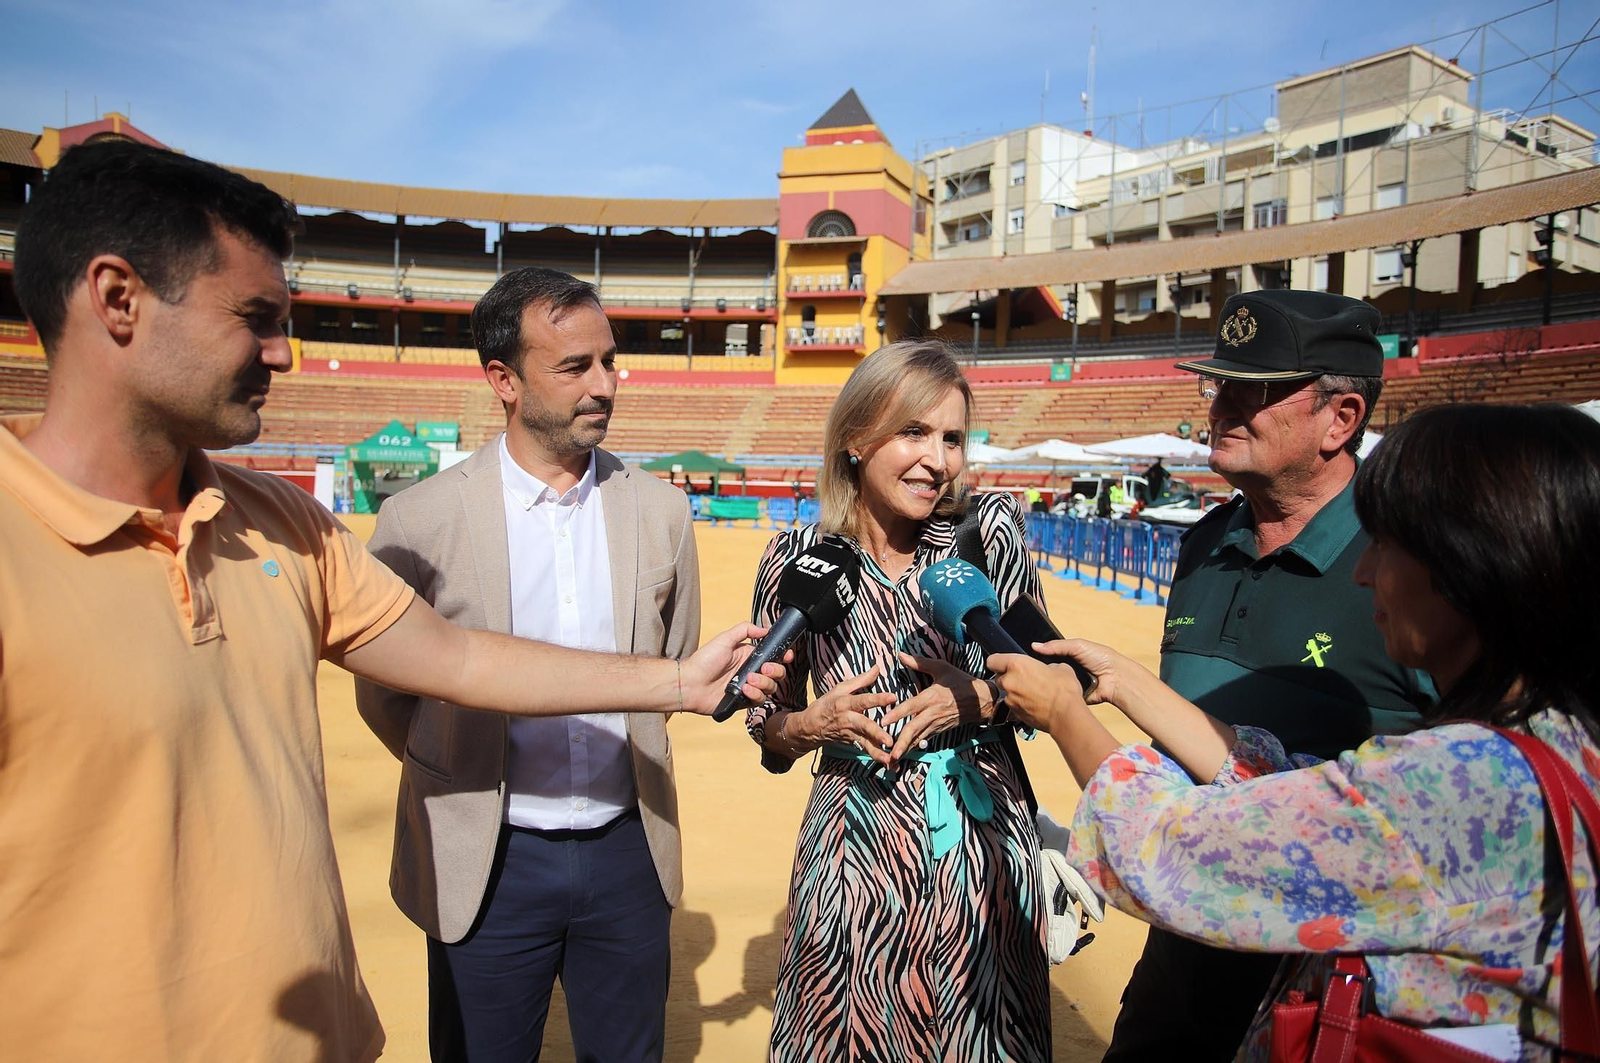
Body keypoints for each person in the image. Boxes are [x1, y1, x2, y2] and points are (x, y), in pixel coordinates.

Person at [0, 139, 780, 1063]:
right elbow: (409, 699)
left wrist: (675, 683)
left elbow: (457, 658)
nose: (286, 353)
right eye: (255, 316)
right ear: (118, 298)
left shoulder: (286, 526)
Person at [991, 403, 1600, 1062]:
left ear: (1474, 566)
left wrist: (1063, 714)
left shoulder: (1460, 781)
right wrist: (1125, 682)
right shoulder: (1555, 739)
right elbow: (1298, 791)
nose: (1365, 573)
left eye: (1389, 546)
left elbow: (1172, 851)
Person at [355, 268, 696, 1062]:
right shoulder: (420, 518)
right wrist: (450, 774)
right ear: (502, 380)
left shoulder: (664, 511)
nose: (605, 385)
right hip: (487, 854)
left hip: (628, 852)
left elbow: (674, 658)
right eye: (575, 367)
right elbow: (384, 692)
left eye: (610, 361)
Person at [1091, 289, 1433, 1061]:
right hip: (1175, 981)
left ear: (1340, 418)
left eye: (1257, 389)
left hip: (1328, 1007)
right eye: (1220, 384)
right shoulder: (1202, 545)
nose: (1225, 406)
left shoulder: (1414, 568)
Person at [744, 340, 1051, 1062]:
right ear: (856, 438)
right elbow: (768, 726)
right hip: (850, 852)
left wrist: (971, 701)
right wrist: (809, 724)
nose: (936, 460)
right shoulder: (793, 557)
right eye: (913, 431)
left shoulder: (986, 532)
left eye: (952, 438)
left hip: (977, 846)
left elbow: (1047, 680)